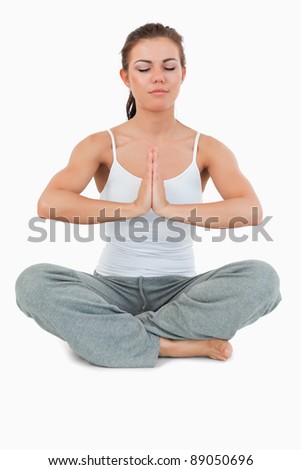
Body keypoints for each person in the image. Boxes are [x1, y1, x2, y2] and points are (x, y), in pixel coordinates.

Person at [15, 23, 281, 368]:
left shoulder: (207, 148)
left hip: (181, 292)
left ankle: (119, 336)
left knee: (263, 279)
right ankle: (170, 345)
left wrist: (170, 209)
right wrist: (133, 208)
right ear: (126, 77)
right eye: (144, 68)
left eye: (169, 67)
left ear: (183, 74)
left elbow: (250, 211)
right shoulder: (100, 144)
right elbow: (50, 203)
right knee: (33, 283)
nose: (159, 77)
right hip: (110, 289)